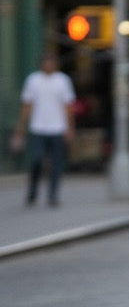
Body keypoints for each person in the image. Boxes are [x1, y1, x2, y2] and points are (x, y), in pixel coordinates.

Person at [11, 51, 76, 207]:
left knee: (56, 163)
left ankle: (52, 195)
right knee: (36, 160)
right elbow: (27, 106)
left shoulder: (63, 81)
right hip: (38, 128)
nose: (49, 65)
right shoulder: (33, 80)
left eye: (51, 62)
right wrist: (20, 128)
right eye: (46, 62)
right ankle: (33, 190)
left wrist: (70, 128)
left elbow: (68, 107)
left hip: (57, 128)